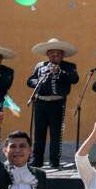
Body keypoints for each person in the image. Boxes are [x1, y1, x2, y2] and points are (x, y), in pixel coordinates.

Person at [26, 37, 80, 169]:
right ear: (47, 54)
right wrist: (38, 81)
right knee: (39, 133)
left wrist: (60, 72)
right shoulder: (40, 66)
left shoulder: (69, 66)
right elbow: (30, 81)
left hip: (57, 103)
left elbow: (74, 79)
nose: (54, 56)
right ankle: (37, 160)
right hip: (40, 103)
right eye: (52, 54)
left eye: (57, 54)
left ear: (62, 55)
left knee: (56, 133)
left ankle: (54, 161)